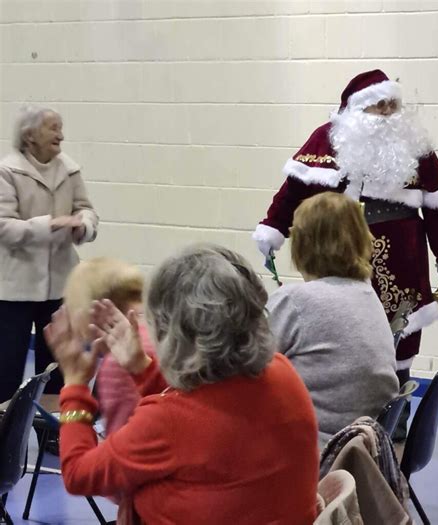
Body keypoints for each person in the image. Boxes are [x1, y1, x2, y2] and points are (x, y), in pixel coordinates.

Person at [45, 244, 319, 525]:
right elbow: (202, 418)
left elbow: (79, 474)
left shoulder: (168, 421)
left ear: (174, 332)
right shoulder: (282, 372)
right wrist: (142, 369)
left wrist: (75, 386)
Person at [253, 69, 438, 391]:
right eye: (377, 105)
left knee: (399, 332)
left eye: (390, 105)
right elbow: (294, 190)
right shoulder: (325, 139)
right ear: (355, 110)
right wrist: (273, 226)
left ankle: (396, 418)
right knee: (336, 328)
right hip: (335, 254)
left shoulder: (415, 146)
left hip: (401, 256)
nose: (385, 112)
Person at [267, 192, 399, 447]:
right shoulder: (367, 293)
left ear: (304, 243)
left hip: (315, 451)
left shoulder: (294, 300)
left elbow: (240, 370)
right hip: (365, 449)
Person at [0, 104, 98, 403]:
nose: (61, 135)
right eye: (53, 128)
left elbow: (86, 209)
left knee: (57, 367)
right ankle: (7, 436)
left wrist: (84, 226)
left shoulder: (69, 169)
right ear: (30, 136)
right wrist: (50, 225)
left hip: (60, 284)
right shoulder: (7, 171)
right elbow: (3, 226)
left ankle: (56, 433)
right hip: (14, 288)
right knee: (7, 367)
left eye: (61, 127)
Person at [63, 257, 166, 436]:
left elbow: (121, 443)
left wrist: (74, 386)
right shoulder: (157, 333)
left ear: (92, 310)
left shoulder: (119, 362)